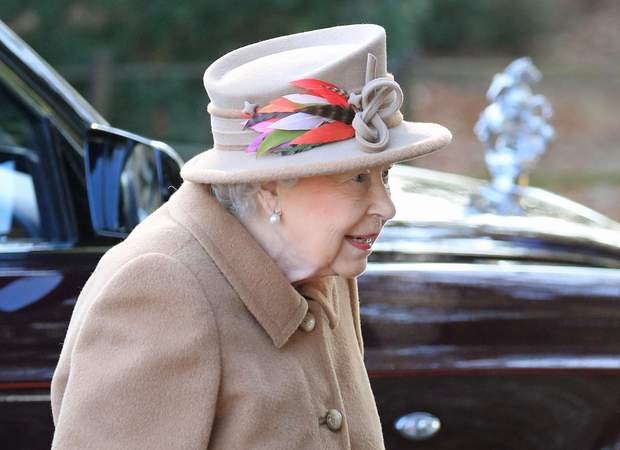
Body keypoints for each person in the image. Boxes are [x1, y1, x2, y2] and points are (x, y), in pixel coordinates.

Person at [50, 23, 451, 449]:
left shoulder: (323, 259)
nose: (386, 206)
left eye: (384, 175)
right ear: (270, 186)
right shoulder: (161, 290)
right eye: (355, 178)